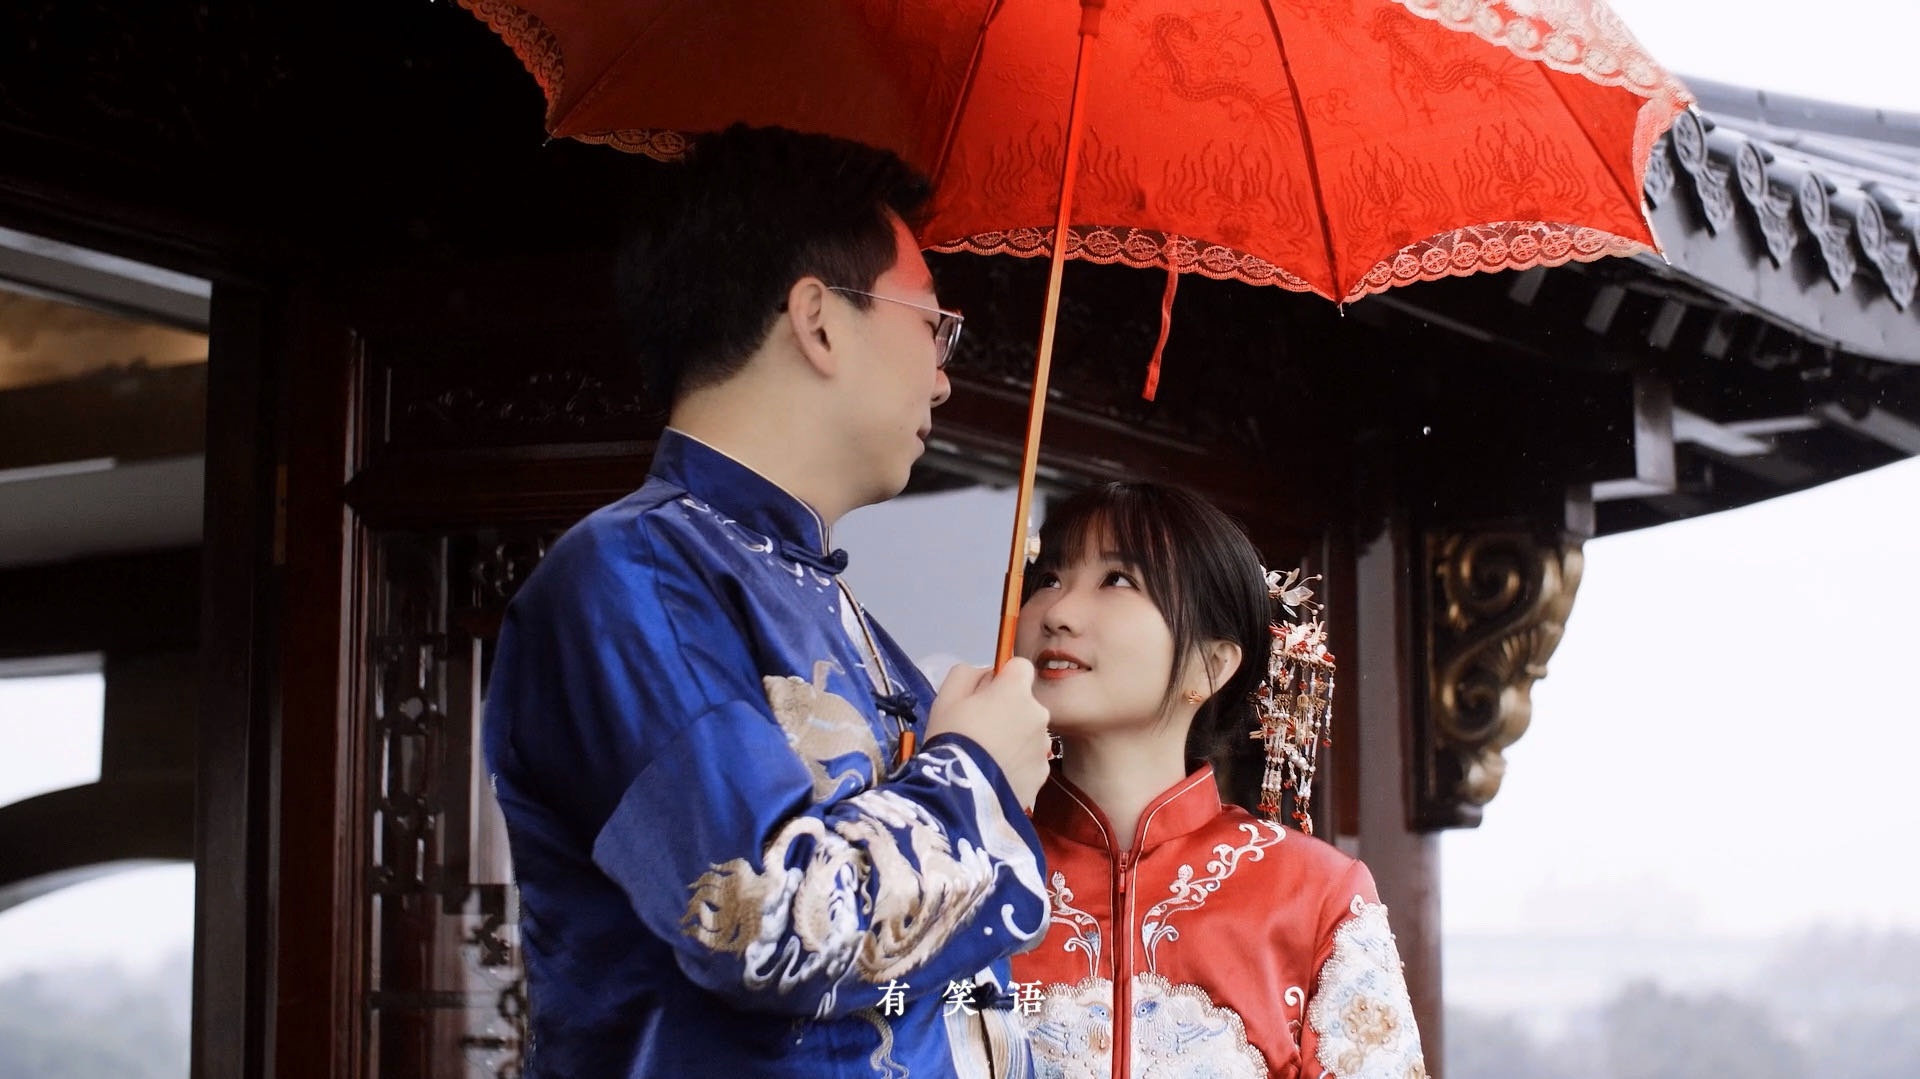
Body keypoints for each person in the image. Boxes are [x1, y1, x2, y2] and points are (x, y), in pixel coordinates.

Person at [482, 125, 1055, 1078]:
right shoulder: (635, 573)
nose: (944, 377)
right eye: (934, 325)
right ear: (819, 319)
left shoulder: (828, 601)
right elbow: (760, 916)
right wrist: (975, 775)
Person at [1009, 482, 1429, 1079]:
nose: (1057, 613)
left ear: (1211, 664)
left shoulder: (1316, 896)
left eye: (1117, 580)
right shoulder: (970, 872)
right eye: (1049, 579)